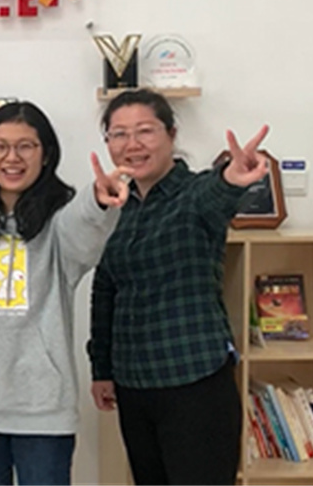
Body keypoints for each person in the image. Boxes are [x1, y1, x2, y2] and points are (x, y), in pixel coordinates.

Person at [0, 100, 129, 486]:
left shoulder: (60, 221)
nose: (12, 157)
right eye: (1, 146)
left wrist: (98, 199)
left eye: (26, 146)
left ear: (46, 154)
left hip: (44, 408)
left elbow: (85, 227)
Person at [88, 89, 269, 485]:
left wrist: (232, 179)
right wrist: (102, 369)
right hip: (133, 386)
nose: (132, 144)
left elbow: (216, 194)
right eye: (119, 134)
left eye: (145, 131)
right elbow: (105, 291)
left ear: (171, 134)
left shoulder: (194, 194)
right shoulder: (117, 208)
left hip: (194, 382)